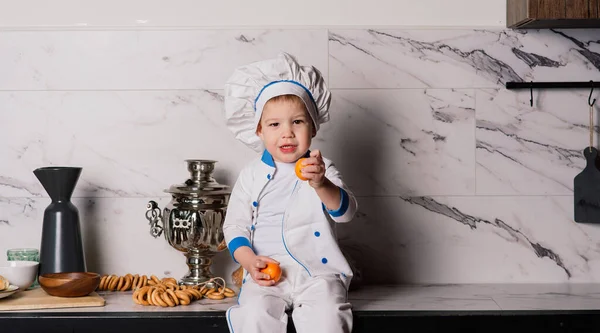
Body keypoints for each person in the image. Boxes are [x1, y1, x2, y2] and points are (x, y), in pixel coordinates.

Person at [222, 53, 358, 333]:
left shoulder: (322, 168)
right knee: (253, 316)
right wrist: (249, 261)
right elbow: (235, 225)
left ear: (313, 126)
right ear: (259, 130)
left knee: (328, 317)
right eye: (274, 124)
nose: (287, 133)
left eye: (297, 122)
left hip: (319, 275)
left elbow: (346, 213)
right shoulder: (250, 175)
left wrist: (321, 184)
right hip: (267, 275)